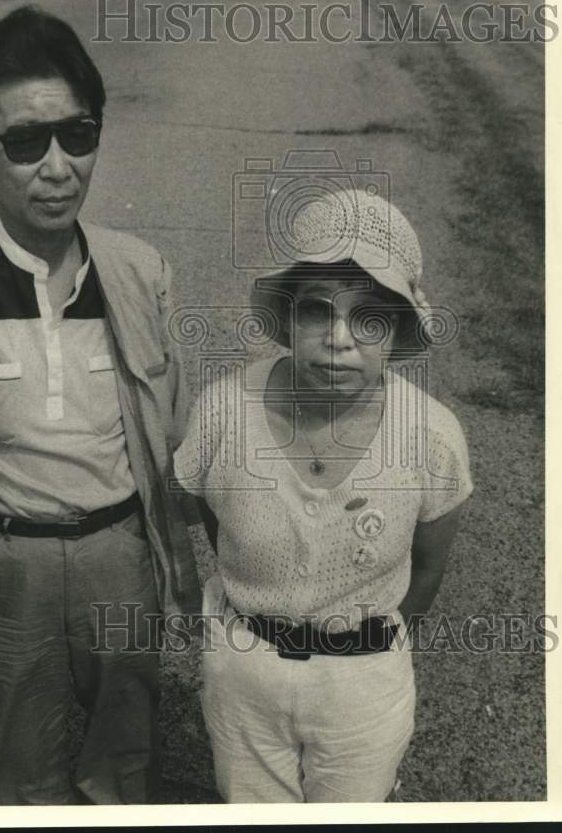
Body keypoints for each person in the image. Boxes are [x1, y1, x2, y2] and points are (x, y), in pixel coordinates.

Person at [0, 5, 201, 805]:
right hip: (8, 565)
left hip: (118, 557)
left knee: (123, 765)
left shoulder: (139, 271)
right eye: (25, 143)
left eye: (79, 134)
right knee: (20, 776)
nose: (58, 167)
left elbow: (169, 435)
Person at [173, 190, 472, 803]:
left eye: (369, 317)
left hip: (365, 682)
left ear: (396, 329)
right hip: (243, 672)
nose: (340, 339)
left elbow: (430, 566)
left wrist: (361, 649)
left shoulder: (433, 436)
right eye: (317, 311)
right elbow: (211, 516)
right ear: (287, 318)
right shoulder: (226, 410)